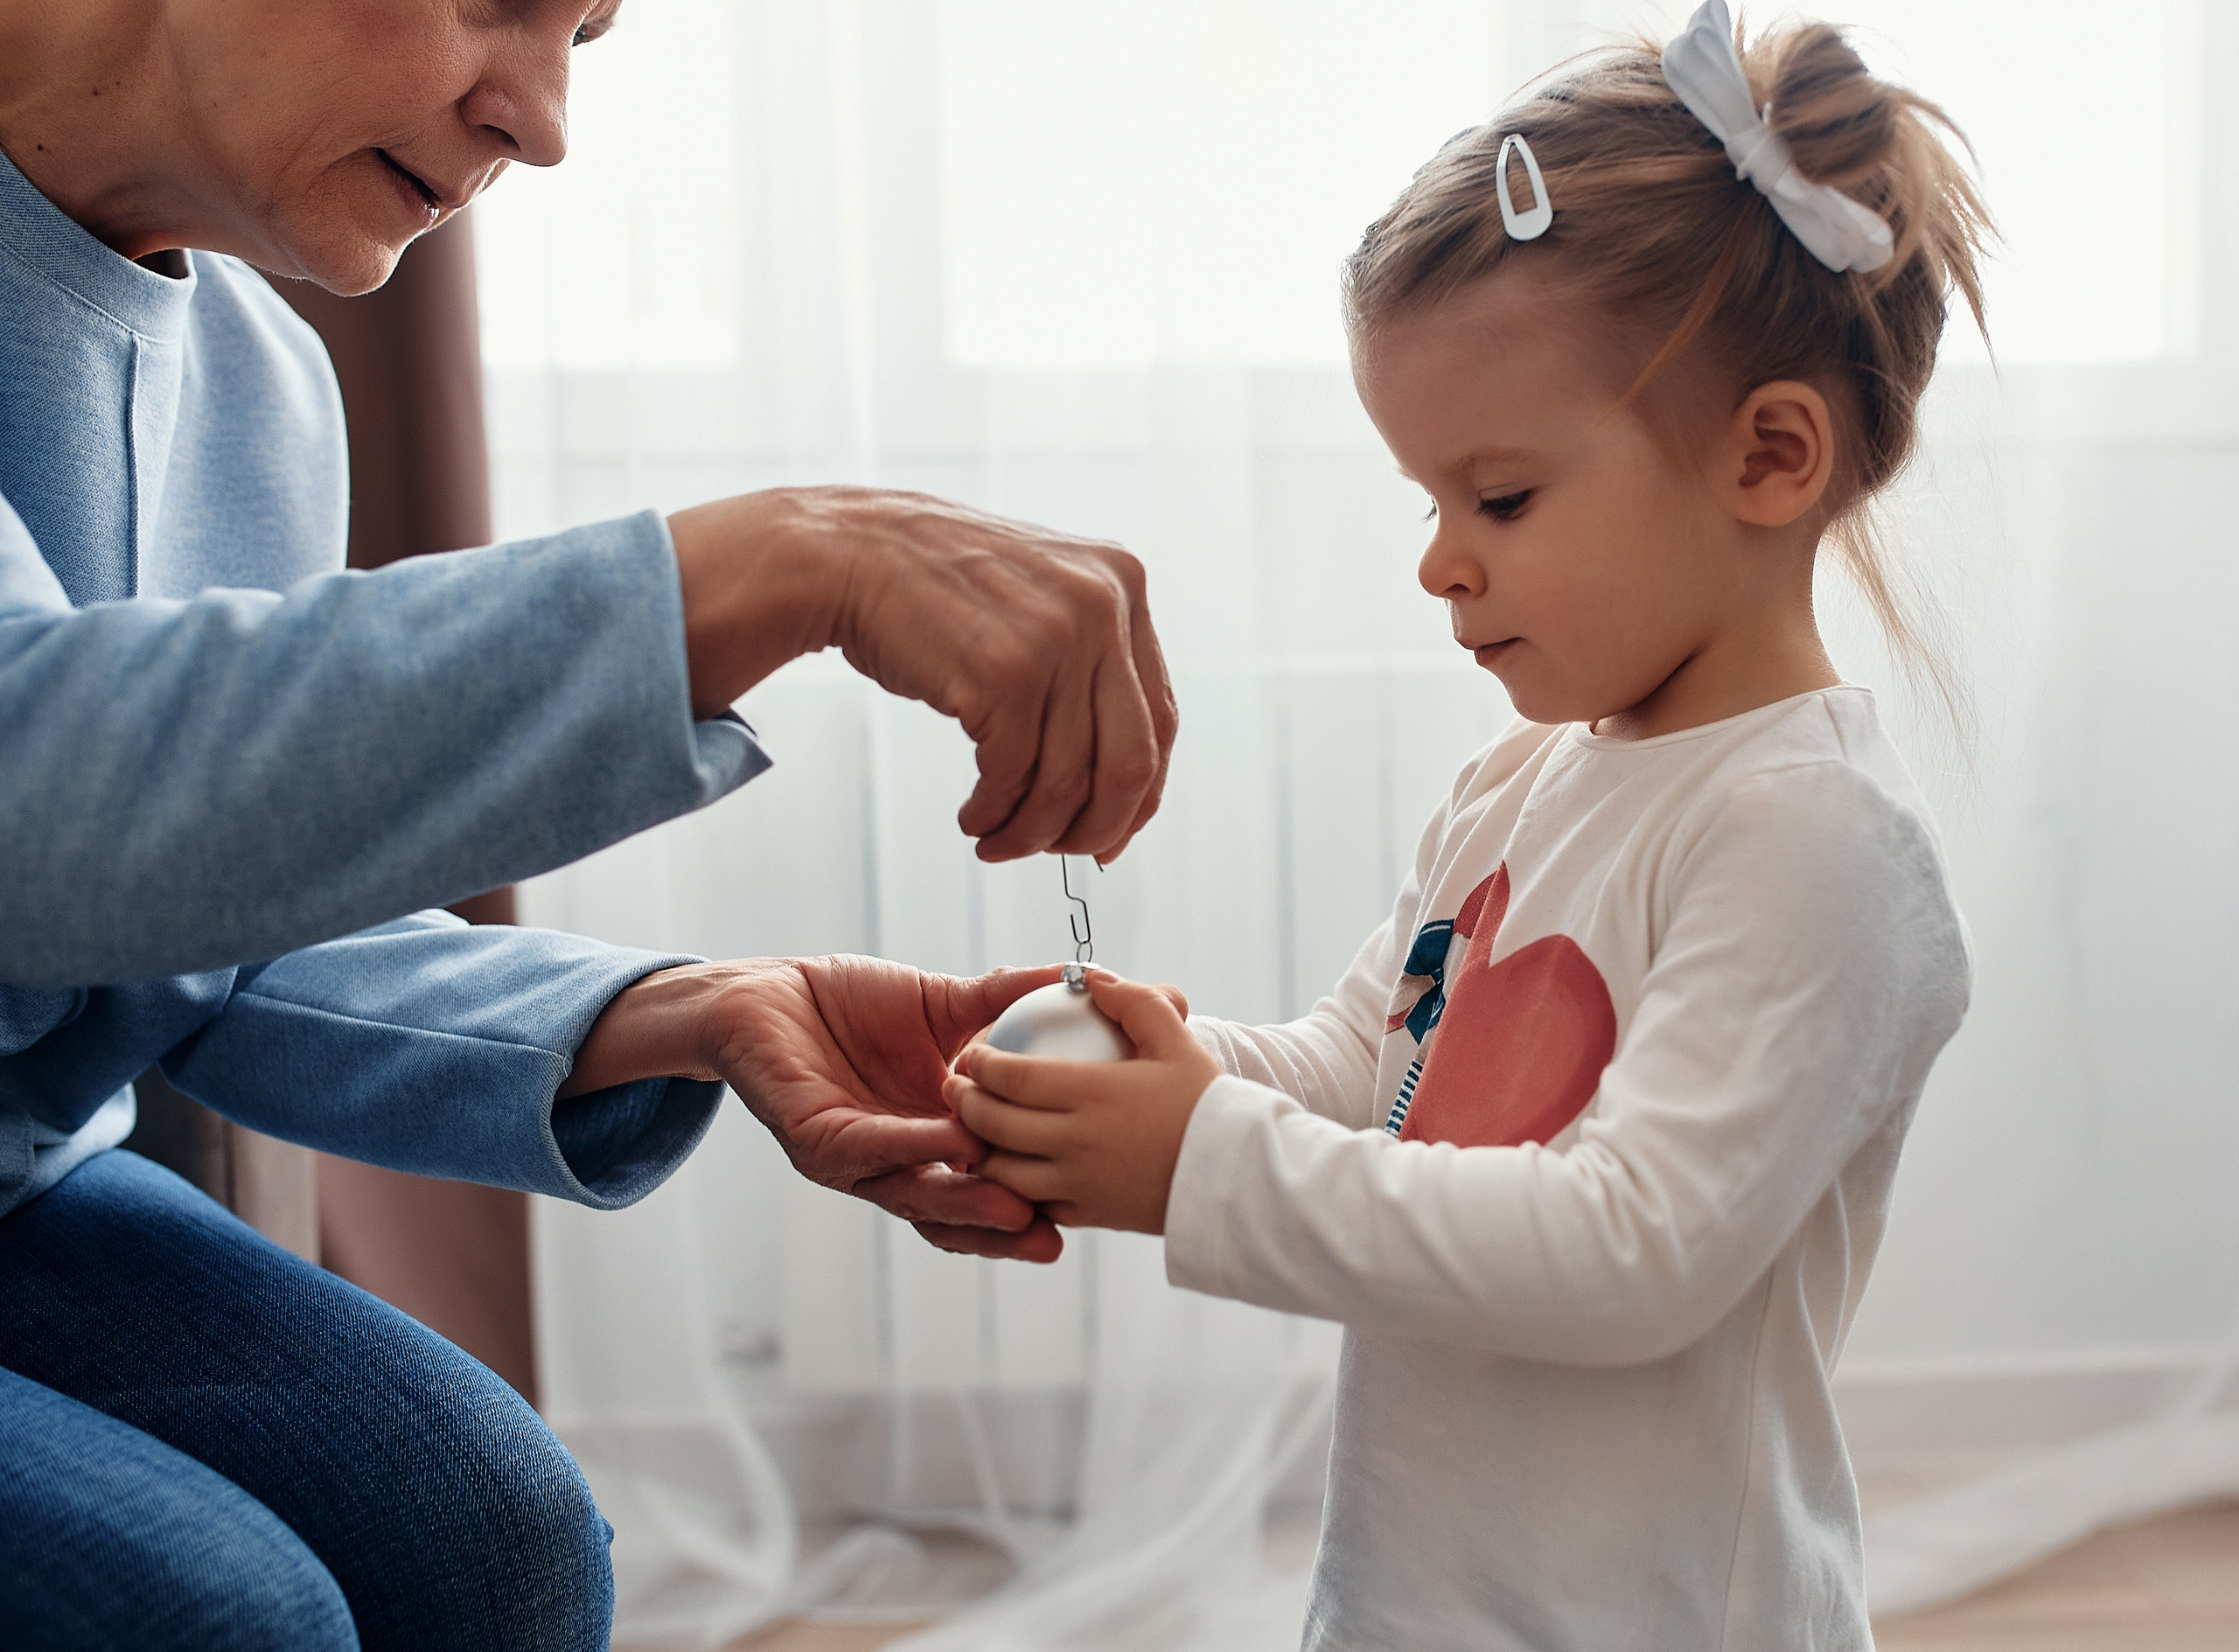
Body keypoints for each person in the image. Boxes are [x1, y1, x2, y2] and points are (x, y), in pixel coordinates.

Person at [0, 1, 1177, 1647]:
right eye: (498, 3)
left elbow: (200, 931)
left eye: (588, 35)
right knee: (218, 1617)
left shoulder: (263, 388)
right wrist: (778, 564)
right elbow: (37, 805)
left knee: (508, 1539)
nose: (544, 121)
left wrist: (674, 1011)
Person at [948, 4, 1987, 1646]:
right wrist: (1160, 1065)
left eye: (1498, 499)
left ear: (1770, 456)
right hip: (1417, 1598)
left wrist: (1198, 1160)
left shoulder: (1814, 843)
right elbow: (1377, 1069)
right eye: (1426, 501)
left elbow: (1629, 1246)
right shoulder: (1524, 784)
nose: (1440, 560)